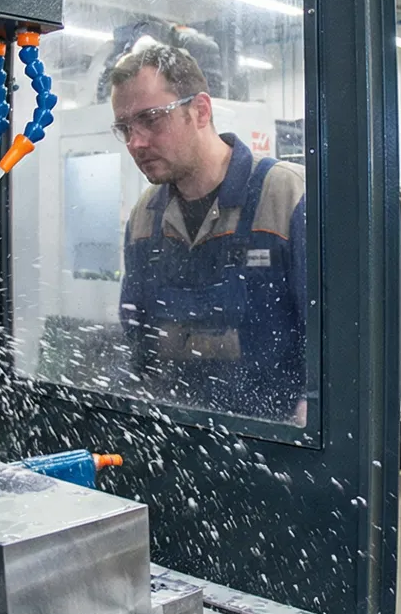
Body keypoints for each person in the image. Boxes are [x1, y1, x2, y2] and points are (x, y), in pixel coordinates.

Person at [109, 44, 308, 423]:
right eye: (125, 128)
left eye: (151, 119)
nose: (136, 142)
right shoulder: (145, 218)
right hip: (179, 436)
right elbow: (137, 343)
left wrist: (310, 416)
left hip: (278, 443)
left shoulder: (286, 198)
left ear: (200, 110)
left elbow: (333, 342)